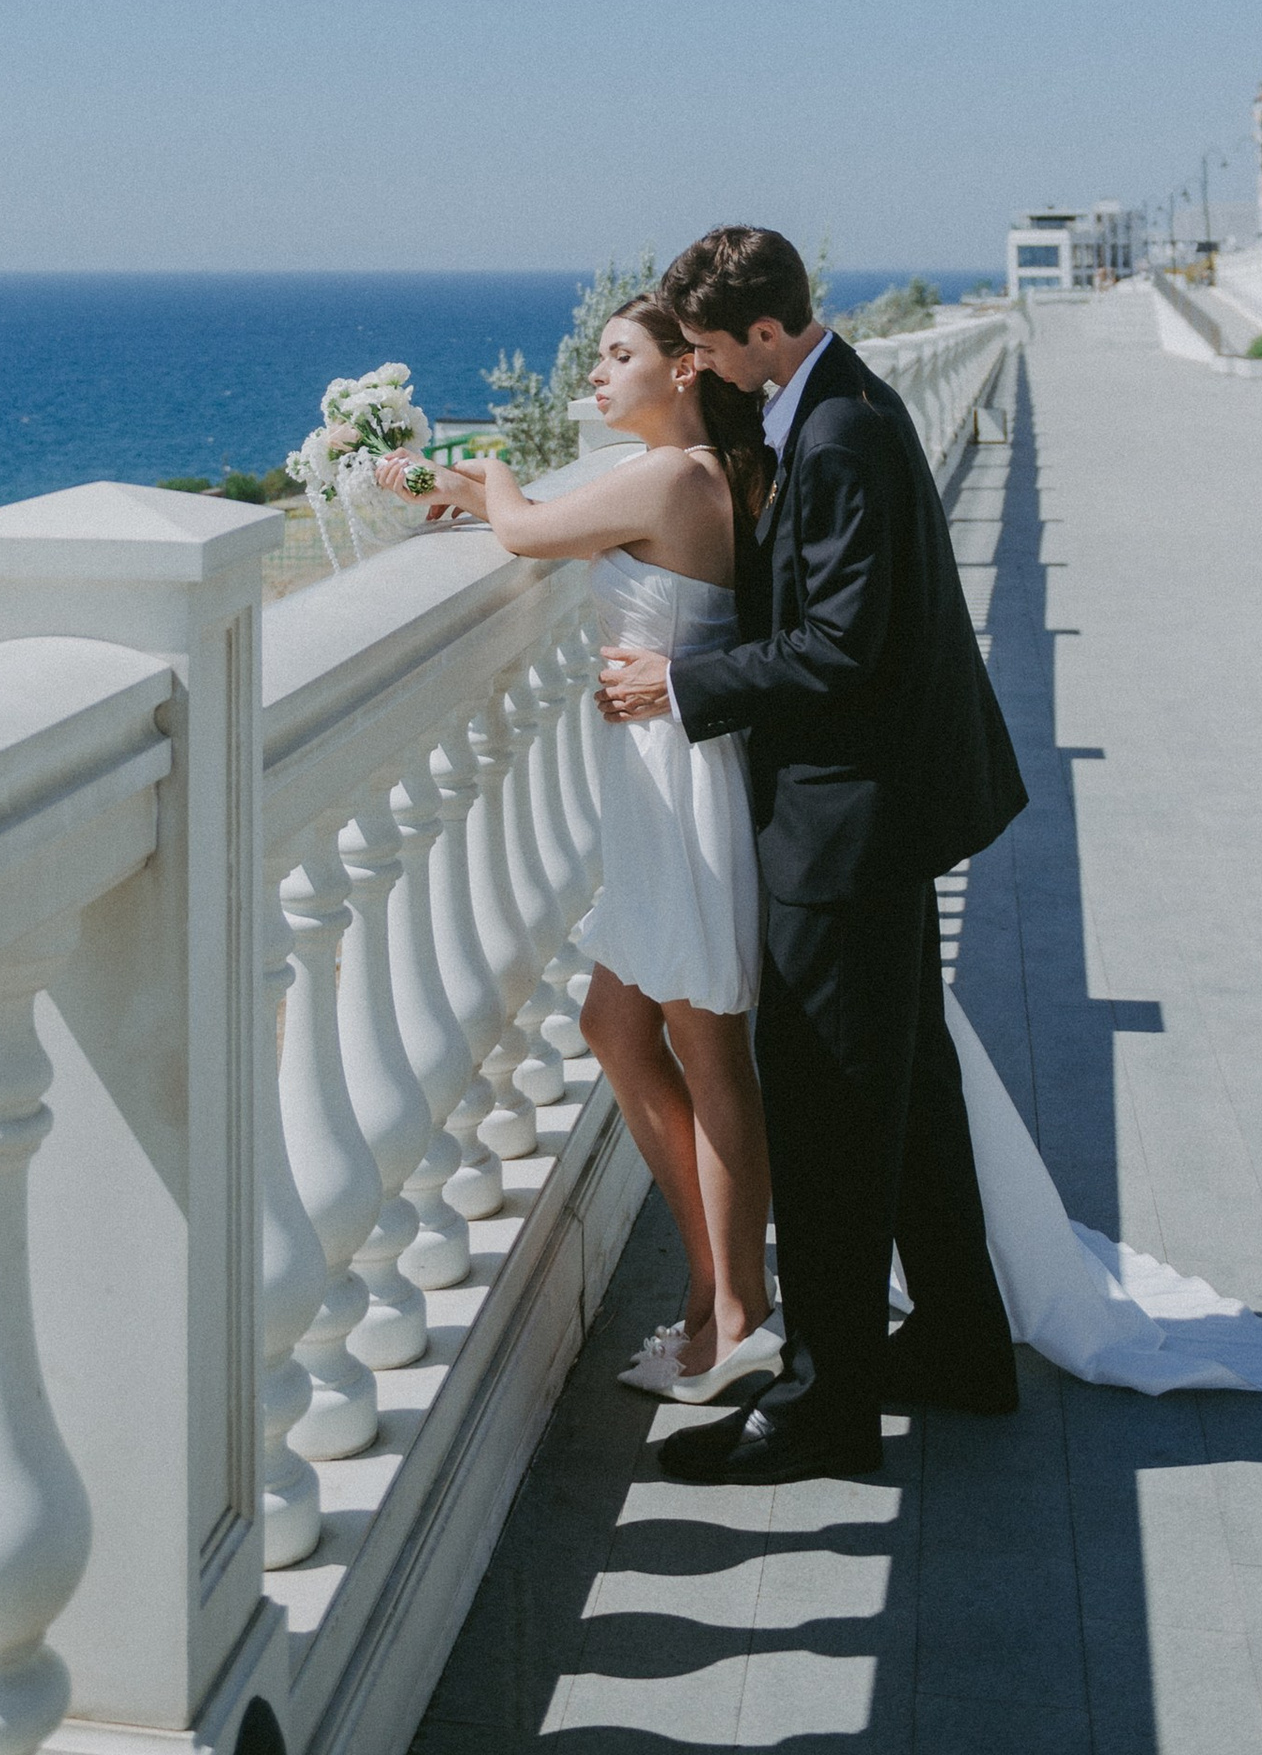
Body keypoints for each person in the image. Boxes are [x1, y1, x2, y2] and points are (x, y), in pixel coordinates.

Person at [598, 222, 1027, 1485]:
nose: (706, 368)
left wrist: (684, 681)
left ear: (769, 334)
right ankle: (957, 1338)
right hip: (879, 808)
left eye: (716, 348)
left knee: (835, 1112)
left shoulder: (836, 433)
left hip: (852, 820)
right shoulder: (833, 403)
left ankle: (824, 1405)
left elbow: (841, 647)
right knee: (911, 1097)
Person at [427, 298, 784, 1403]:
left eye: (617, 353)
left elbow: (527, 532)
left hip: (677, 785)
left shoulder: (676, 476)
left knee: (706, 1045)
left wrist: (483, 472)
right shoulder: (692, 473)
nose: (594, 370)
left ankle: (736, 1314)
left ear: (685, 370)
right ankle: (712, 1277)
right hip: (659, 779)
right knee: (613, 1023)